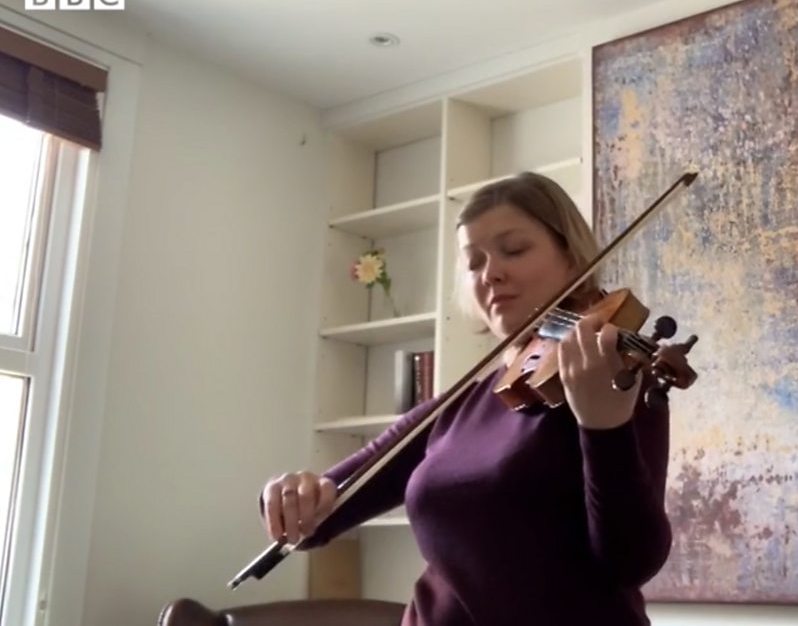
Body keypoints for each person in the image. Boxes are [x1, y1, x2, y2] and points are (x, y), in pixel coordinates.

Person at [258, 172, 674, 626]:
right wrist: (290, 496)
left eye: (514, 249)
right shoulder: (458, 405)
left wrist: (604, 428)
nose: (490, 273)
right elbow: (317, 518)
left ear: (573, 259)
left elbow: (632, 561)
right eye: (473, 263)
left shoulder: (612, 378)